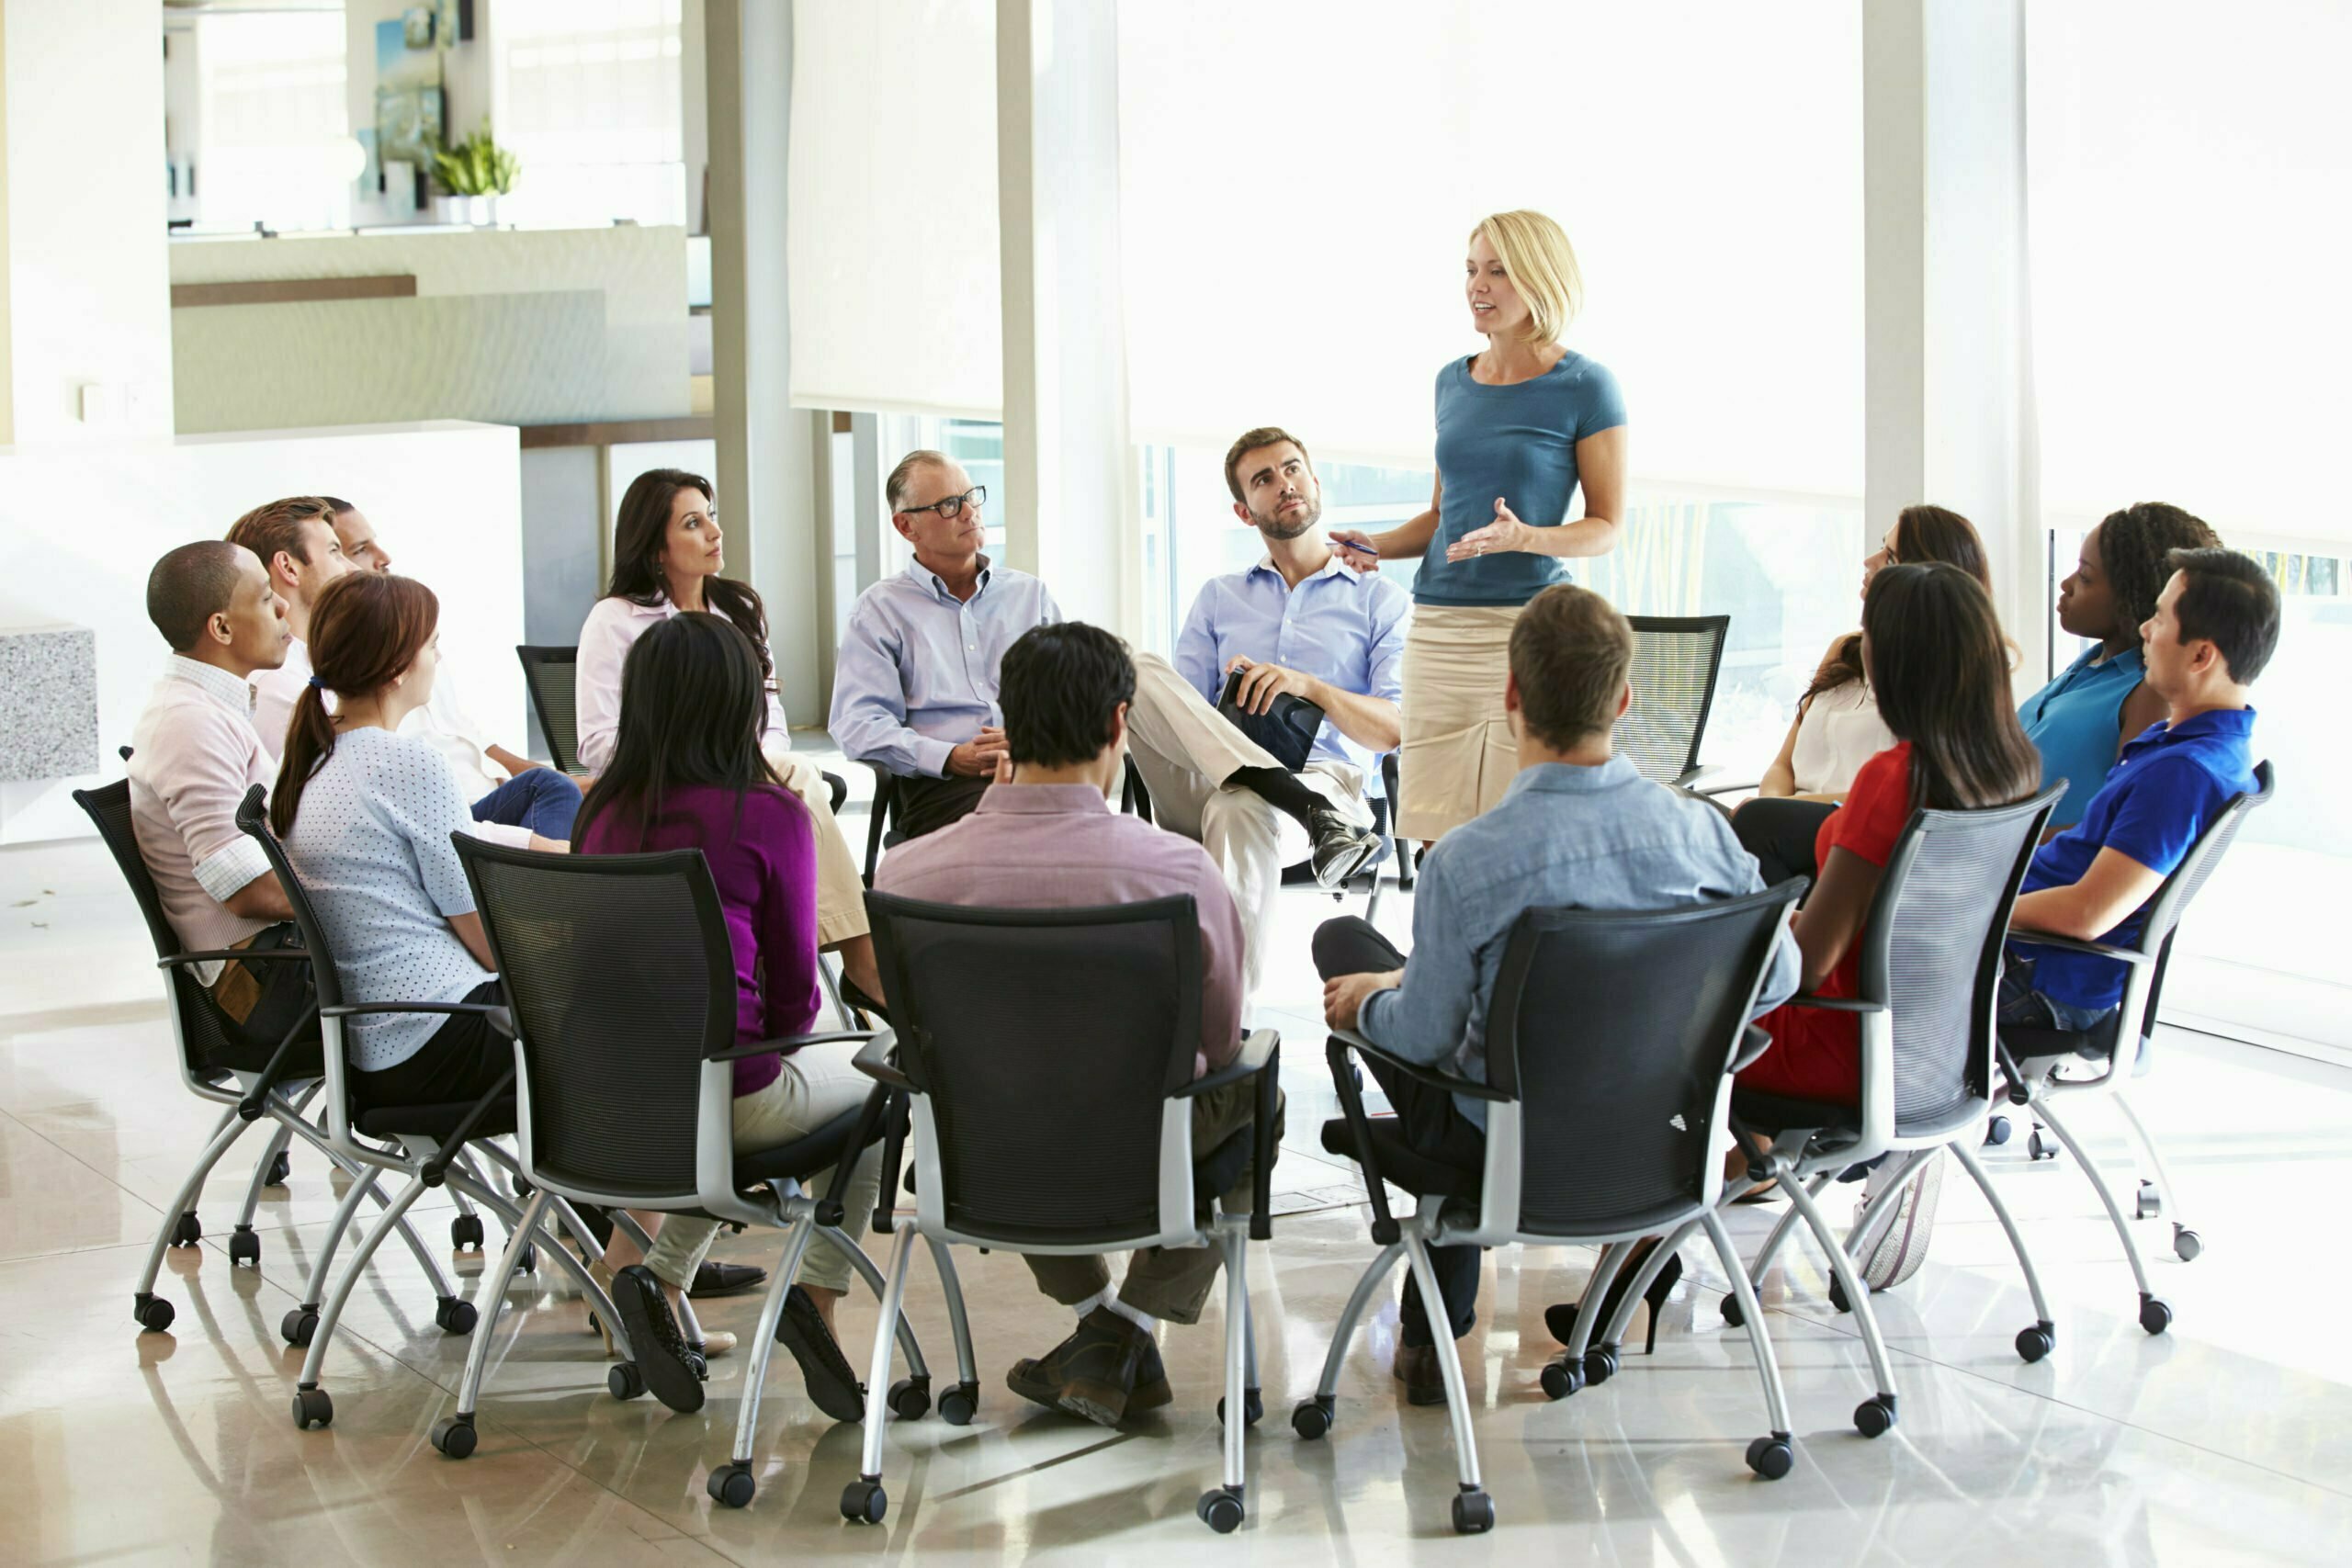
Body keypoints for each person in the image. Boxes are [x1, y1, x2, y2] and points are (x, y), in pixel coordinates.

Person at [1317, 584, 1798, 1404]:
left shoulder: (1468, 859)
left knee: (1346, 950)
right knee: (1449, 1004)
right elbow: (1780, 976)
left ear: (1511, 696)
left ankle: (1437, 1329)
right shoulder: (1702, 830)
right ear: (1624, 698)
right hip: (1659, 1135)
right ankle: (1589, 1281)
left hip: (1509, 1150)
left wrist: (1365, 1001)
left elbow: (1428, 1036)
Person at [876, 622, 1280, 1430]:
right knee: (1253, 1090)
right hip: (1145, 1164)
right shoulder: (1179, 872)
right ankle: (1128, 1325)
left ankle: (1101, 1327)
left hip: (982, 1161)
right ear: (1119, 725)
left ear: (1004, 725)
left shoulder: (907, 873)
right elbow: (1222, 1042)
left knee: (1002, 1079)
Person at [571, 613, 883, 1420]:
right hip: (727, 1098)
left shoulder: (600, 815)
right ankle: (815, 1297)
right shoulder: (773, 813)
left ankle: (654, 1275)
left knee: (712, 1092)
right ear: (743, 702)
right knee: (884, 1078)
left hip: (610, 1108)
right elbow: (793, 1004)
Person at [1732, 564, 2044, 1291]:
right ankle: (1733, 1179)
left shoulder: (1892, 777)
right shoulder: (2009, 765)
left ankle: (1639, 1223)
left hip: (1840, 1044)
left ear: (1892, 656)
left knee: (1663, 1023)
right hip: (1937, 1049)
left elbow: (1808, 965)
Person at [1329, 209, 1627, 842]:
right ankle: (1440, 946)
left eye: (1497, 270)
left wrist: (1527, 538)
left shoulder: (1586, 386)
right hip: (1438, 629)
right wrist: (1377, 545)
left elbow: (1606, 525)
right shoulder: (1451, 382)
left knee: (1505, 827)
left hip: (1523, 628)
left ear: (1540, 279)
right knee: (1436, 831)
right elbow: (1443, 515)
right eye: (1471, 270)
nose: (1478, 286)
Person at [1114, 426, 1407, 1001]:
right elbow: (1181, 716)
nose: (1284, 484)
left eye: (1292, 469)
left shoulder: (1380, 600)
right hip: (1209, 780)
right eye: (1264, 479)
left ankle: (1225, 1024)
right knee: (1128, 664)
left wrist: (1308, 687)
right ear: (1245, 511)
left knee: (1242, 804)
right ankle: (1302, 806)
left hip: (1326, 780)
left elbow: (1393, 730)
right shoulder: (1219, 596)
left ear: (1315, 482)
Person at [577, 468, 884, 1006]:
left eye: (711, 517)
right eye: (693, 523)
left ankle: (801, 961)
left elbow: (772, 715)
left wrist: (752, 761)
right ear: (655, 548)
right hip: (665, 778)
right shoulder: (616, 620)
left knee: (789, 774)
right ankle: (862, 961)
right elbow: (598, 743)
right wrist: (698, 756)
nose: (715, 532)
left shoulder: (739, 607)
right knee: (798, 781)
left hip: (747, 769)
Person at [270, 572, 569, 1119]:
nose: (438, 659)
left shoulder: (312, 758)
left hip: (379, 1049)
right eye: (432, 646)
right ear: (396, 667)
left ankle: (604, 1199)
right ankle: (634, 1195)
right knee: (643, 1007)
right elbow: (479, 933)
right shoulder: (405, 763)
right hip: (446, 1034)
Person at [2004, 547, 2275, 1033]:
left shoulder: (2183, 772)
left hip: (2038, 976)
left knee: (1849, 960)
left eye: (2159, 617)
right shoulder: (2197, 744)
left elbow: (2088, 914)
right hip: (2029, 952)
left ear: (2200, 654)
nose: (2146, 631)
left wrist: (1974, 911)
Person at [1737, 503, 1998, 885]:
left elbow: (1900, 796)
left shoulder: (1943, 681)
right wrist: (1772, 802)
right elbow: (1783, 765)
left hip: (1859, 834)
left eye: (1889, 556)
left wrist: (1775, 811)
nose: (1869, 560)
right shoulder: (1845, 649)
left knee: (1750, 828)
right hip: (1782, 826)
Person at [126, 540, 311, 1065]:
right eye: (266, 598)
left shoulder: (207, 709)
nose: (283, 609)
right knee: (522, 987)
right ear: (222, 628)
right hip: (271, 981)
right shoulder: (190, 724)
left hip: (285, 955)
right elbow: (249, 892)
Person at [828, 451, 1060, 839]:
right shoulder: (879, 611)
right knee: (1024, 833)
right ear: (906, 526)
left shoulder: (1030, 595)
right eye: (949, 505)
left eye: (971, 496)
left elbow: (1071, 694)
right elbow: (857, 724)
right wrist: (949, 757)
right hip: (946, 788)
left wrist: (1033, 739)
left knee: (1100, 838)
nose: (970, 512)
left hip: (1041, 770)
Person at [319, 497, 579, 840]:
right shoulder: (398, 751)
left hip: (483, 802)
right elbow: (442, 853)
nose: (384, 558)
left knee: (557, 789)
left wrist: (565, 781)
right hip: (459, 821)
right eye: (358, 549)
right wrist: (536, 845)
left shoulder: (413, 653)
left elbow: (470, 737)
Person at [2020, 502, 2221, 831]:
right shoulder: (2092, 662)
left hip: (2023, 867)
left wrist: (1996, 842)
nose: (2065, 584)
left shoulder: (2150, 692)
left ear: (2134, 600)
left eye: (2085, 577)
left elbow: (2119, 829)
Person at [227, 496, 355, 754]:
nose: (351, 569)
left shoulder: (306, 670)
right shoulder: (278, 687)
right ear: (289, 567)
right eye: (334, 552)